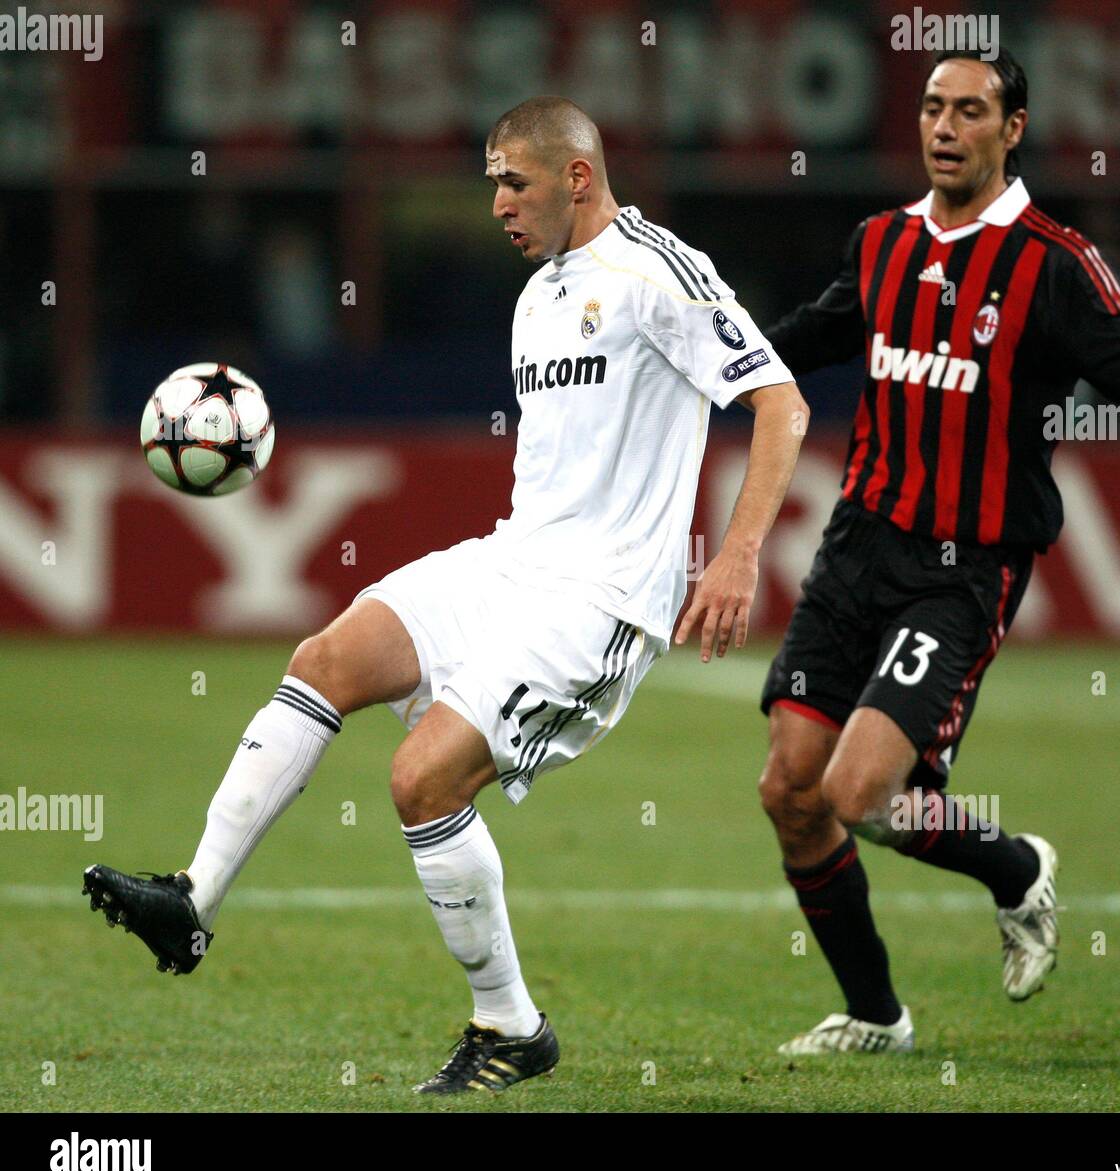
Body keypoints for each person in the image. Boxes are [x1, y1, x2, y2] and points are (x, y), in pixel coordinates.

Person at [84, 96, 809, 1094]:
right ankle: (191, 899)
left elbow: (780, 399)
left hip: (600, 598)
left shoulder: (657, 272)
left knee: (423, 778)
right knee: (325, 660)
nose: (499, 202)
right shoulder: (537, 297)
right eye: (493, 183)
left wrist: (735, 555)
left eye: (513, 180)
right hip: (513, 562)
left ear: (577, 177)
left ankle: (510, 1025)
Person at [758, 49, 1120, 1055]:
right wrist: (697, 361)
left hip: (961, 566)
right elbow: (804, 339)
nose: (944, 127)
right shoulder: (879, 243)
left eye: (969, 110)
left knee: (856, 794)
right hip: (857, 544)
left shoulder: (1051, 260)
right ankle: (875, 1017)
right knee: (790, 787)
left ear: (1013, 128)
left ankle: (1015, 869)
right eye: (930, 108)